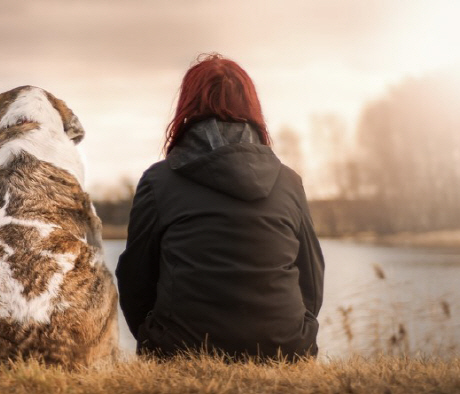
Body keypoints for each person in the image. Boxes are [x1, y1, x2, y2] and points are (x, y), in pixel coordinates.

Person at [115, 53, 325, 361]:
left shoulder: (159, 181)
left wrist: (153, 336)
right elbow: (312, 277)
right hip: (284, 349)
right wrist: (295, 332)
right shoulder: (289, 182)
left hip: (180, 349)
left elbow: (135, 278)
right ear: (251, 107)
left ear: (187, 107)